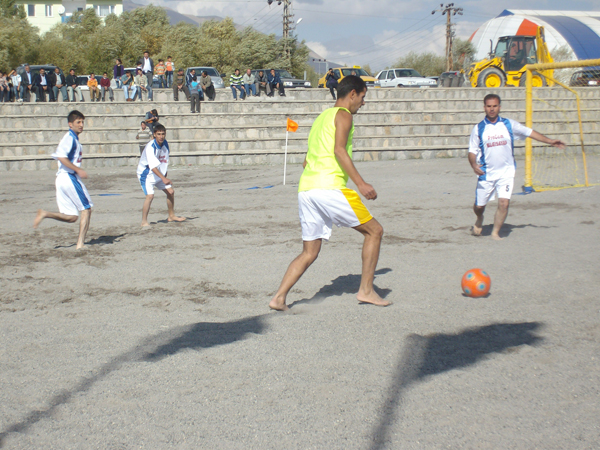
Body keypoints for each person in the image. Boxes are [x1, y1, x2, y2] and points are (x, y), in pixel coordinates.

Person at [269, 76, 389, 311]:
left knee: (309, 252)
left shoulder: (320, 119)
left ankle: (279, 298)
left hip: (306, 189)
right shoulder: (344, 115)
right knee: (375, 231)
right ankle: (366, 290)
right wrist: (361, 184)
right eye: (363, 98)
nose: (363, 103)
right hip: (329, 187)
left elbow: (306, 161)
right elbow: (339, 150)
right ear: (352, 94)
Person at [469, 94, 566, 240]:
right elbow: (472, 151)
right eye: (489, 106)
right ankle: (479, 217)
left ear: (499, 107)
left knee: (504, 202)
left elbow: (529, 132)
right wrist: (473, 165)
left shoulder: (509, 124)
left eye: (495, 106)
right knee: (479, 206)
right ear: (484, 108)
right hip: (487, 173)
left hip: (506, 172)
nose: (492, 109)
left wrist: (550, 141)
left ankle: (495, 232)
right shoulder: (478, 129)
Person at [33, 110, 93, 250]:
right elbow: (61, 156)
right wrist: (78, 170)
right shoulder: (69, 138)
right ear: (70, 124)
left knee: (72, 216)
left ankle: (45, 213)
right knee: (86, 209)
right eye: (78, 122)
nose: (81, 125)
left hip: (61, 178)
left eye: (82, 122)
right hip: (69, 177)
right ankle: (80, 244)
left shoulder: (73, 138)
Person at [136, 124, 186, 227]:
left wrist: (164, 174)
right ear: (154, 135)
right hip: (146, 173)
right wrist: (163, 178)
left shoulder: (165, 144)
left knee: (171, 192)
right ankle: (144, 222)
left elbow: (164, 160)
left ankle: (171, 216)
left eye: (163, 134)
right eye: (158, 134)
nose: (161, 136)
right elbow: (152, 166)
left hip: (158, 173)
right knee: (150, 196)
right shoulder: (150, 147)